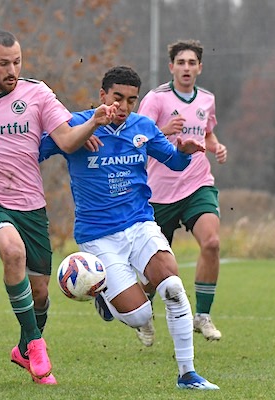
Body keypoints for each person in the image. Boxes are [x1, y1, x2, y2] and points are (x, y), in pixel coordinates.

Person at [0, 30, 117, 385]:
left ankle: (24, 349)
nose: (12, 70)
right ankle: (37, 345)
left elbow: (67, 140)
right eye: (3, 63)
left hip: (30, 204)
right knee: (12, 250)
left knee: (40, 292)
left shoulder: (37, 93)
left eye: (17, 62)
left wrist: (93, 122)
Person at [39, 65, 219, 390]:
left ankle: (187, 374)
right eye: (117, 98)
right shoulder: (79, 124)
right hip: (99, 238)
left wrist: (183, 151)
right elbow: (39, 149)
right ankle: (106, 298)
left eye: (131, 100)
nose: (123, 106)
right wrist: (87, 129)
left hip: (140, 225)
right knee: (138, 317)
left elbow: (174, 163)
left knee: (174, 288)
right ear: (102, 95)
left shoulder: (143, 127)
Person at [137, 39, 228, 343]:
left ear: (200, 67)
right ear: (171, 66)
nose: (186, 68)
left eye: (192, 63)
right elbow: (135, 138)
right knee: (156, 267)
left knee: (212, 243)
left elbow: (208, 132)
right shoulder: (156, 99)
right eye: (181, 62)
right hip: (159, 193)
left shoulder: (206, 100)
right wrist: (163, 132)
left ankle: (202, 316)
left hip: (197, 184)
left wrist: (216, 147)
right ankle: (142, 312)